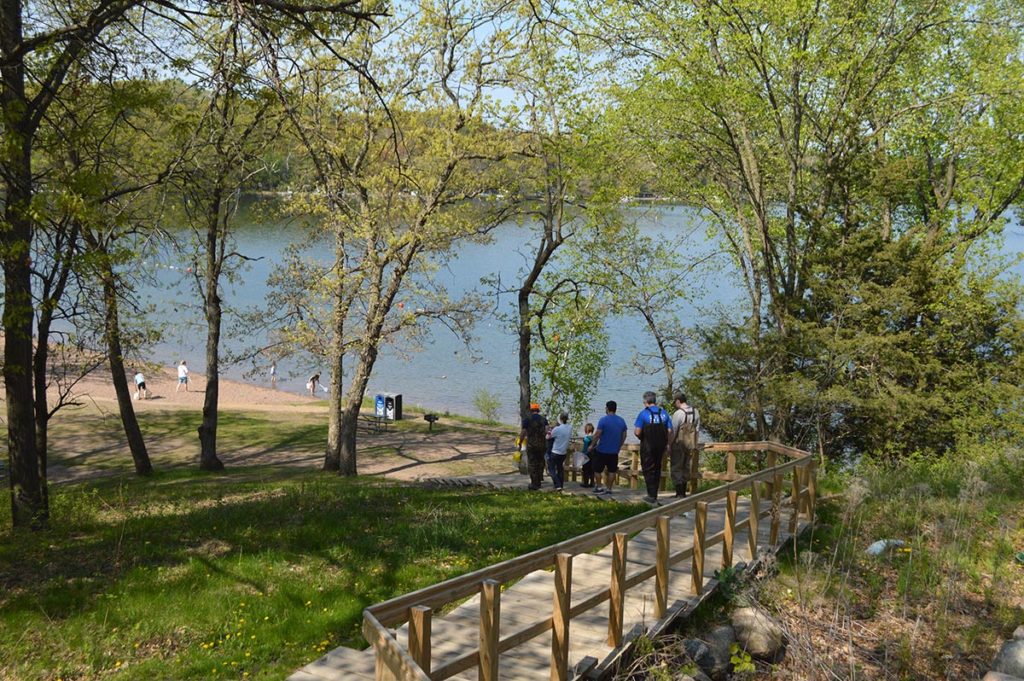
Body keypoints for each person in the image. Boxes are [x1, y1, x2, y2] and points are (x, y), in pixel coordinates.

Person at [634, 391, 673, 505]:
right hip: (660, 446)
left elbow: (637, 432)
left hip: (647, 446)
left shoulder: (643, 414)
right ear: (655, 401)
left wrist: (642, 437)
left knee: (647, 469)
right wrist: (668, 444)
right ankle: (654, 493)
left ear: (645, 402)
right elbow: (670, 431)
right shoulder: (664, 413)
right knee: (657, 468)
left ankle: (651, 495)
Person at [591, 401, 628, 498]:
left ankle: (599, 487)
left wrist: (591, 445)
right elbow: (624, 435)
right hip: (614, 451)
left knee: (597, 470)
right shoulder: (621, 420)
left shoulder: (603, 420)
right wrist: (619, 445)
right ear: (615, 409)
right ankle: (609, 489)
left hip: (602, 450)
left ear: (607, 408)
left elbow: (597, 434)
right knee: (612, 471)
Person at [670, 392, 701, 497]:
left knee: (676, 467)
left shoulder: (678, 413)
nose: (675, 404)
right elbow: (697, 430)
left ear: (678, 401)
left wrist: (669, 444)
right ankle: (683, 491)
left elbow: (673, 431)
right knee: (686, 466)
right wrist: (695, 445)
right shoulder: (695, 411)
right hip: (690, 444)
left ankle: (679, 492)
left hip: (679, 443)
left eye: (675, 402)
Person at [518, 403, 549, 490]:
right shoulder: (544, 419)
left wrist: (520, 443)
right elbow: (547, 431)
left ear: (531, 410)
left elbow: (523, 432)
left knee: (532, 463)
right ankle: (539, 479)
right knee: (540, 462)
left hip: (531, 444)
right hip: (542, 444)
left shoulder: (527, 420)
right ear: (538, 410)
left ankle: (534, 483)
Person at [548, 412, 572, 491]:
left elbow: (548, 436)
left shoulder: (557, 429)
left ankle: (557, 485)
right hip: (563, 452)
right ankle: (560, 485)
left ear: (560, 419)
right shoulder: (570, 427)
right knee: (560, 468)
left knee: (551, 469)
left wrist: (551, 429)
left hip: (555, 451)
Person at [577, 423, 595, 488]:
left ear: (586, 430)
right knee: (592, 469)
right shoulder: (594, 437)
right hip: (593, 456)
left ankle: (586, 483)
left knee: (585, 469)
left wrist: (582, 453)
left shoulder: (586, 438)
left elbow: (585, 448)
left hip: (587, 455)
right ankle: (592, 482)